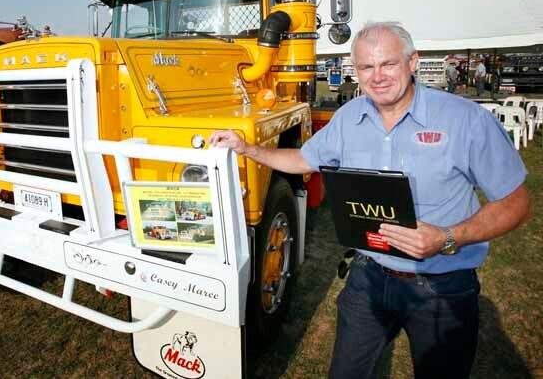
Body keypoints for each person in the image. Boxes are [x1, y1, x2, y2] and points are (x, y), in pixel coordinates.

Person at [209, 22, 530, 379]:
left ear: (412, 63)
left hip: (442, 284)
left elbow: (516, 203)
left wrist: (448, 236)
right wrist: (248, 149)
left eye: (388, 64)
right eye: (365, 67)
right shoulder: (348, 117)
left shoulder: (465, 120)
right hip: (369, 277)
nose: (377, 77)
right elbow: (303, 160)